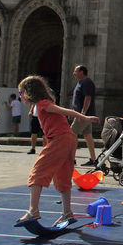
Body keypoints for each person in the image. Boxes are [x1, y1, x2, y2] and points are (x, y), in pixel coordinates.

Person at [15, 75, 100, 226]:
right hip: (68, 139)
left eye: (21, 92)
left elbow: (63, 111)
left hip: (59, 139)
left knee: (38, 172)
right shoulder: (40, 104)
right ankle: (67, 213)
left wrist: (84, 118)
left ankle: (33, 211)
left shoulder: (42, 104)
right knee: (63, 175)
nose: (20, 95)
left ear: (29, 91)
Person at [71, 65, 98, 167]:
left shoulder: (87, 82)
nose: (74, 73)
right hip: (82, 114)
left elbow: (88, 98)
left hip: (83, 115)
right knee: (88, 136)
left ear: (82, 72)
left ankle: (71, 158)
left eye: (76, 71)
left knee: (72, 134)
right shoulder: (80, 83)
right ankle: (93, 159)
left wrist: (82, 114)